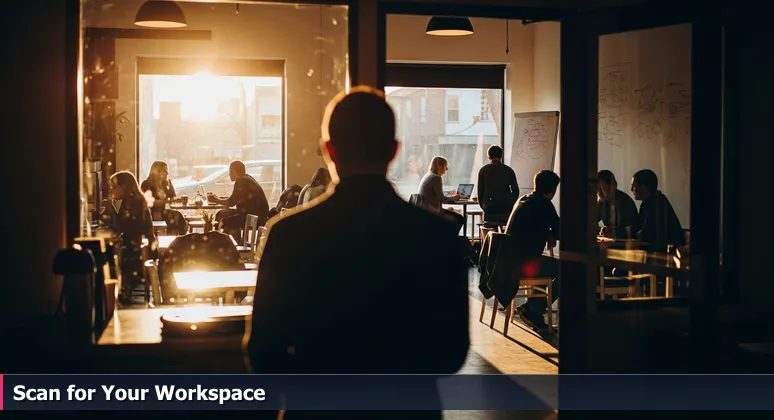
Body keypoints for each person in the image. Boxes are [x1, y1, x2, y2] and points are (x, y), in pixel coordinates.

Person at [245, 86, 469, 420]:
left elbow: (263, 352)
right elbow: (451, 353)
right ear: (394, 151)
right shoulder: (437, 234)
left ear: (329, 150)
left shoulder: (289, 233)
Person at [485, 170, 561, 332]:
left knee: (546, 264)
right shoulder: (544, 204)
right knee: (567, 269)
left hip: (507, 262)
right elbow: (561, 231)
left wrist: (548, 233)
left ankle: (532, 308)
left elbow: (529, 225)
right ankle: (534, 310)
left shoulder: (524, 199)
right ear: (553, 189)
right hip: (522, 264)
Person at [101, 171, 156, 305]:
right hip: (140, 245)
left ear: (123, 187)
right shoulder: (133, 199)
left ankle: (115, 291)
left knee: (107, 254)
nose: (112, 190)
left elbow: (120, 227)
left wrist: (111, 208)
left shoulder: (132, 202)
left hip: (137, 249)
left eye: (114, 187)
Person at [207, 160, 270, 240]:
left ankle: (232, 245)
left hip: (255, 218)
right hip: (256, 214)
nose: (229, 174)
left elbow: (231, 202)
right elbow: (234, 199)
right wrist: (218, 199)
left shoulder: (241, 181)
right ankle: (217, 240)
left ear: (234, 171)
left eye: (230, 171)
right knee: (221, 214)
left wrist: (215, 200)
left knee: (225, 222)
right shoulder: (246, 178)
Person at [630, 169, 685, 252]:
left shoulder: (658, 203)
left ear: (643, 188)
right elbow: (638, 227)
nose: (631, 189)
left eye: (634, 186)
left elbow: (647, 234)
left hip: (666, 254)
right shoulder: (647, 203)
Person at [417, 156, 466, 231]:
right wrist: (454, 198)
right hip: (433, 212)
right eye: (446, 166)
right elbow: (441, 199)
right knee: (460, 219)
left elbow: (435, 193)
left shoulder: (428, 176)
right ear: (440, 166)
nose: (447, 169)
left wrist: (449, 192)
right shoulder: (436, 178)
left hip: (425, 210)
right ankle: (449, 240)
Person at [477, 145, 519, 223]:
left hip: (489, 208)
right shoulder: (508, 170)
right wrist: (511, 202)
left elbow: (480, 191)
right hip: (506, 207)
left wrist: (484, 205)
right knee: (504, 232)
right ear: (501, 156)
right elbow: (515, 190)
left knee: (489, 230)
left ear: (488, 156)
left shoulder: (483, 170)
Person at [597, 169, 638, 239]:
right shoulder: (602, 202)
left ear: (614, 185)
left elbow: (633, 229)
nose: (600, 194)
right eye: (597, 190)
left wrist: (612, 232)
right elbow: (590, 222)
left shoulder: (625, 202)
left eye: (604, 189)